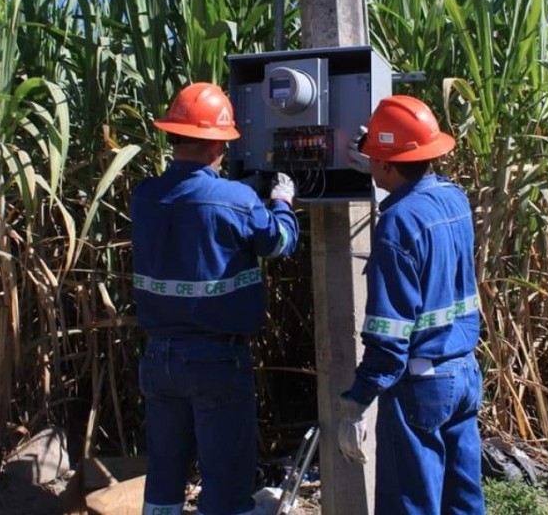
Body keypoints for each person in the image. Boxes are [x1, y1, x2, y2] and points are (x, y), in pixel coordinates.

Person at [130, 82, 300, 515]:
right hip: (216, 361)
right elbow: (278, 243)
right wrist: (281, 200)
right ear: (215, 146)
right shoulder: (237, 200)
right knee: (225, 475)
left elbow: (192, 210)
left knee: (165, 471)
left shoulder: (144, 196)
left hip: (160, 359)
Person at [340, 95, 485, 514]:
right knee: (462, 500)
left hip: (421, 386)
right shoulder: (454, 197)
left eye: (374, 159)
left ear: (386, 164)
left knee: (410, 504)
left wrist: (357, 401)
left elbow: (389, 339)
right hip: (463, 373)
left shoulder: (397, 225)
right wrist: (377, 159)